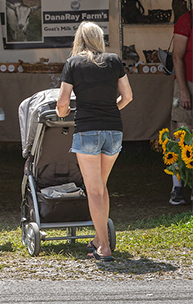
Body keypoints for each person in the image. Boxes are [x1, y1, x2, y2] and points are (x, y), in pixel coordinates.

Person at [57, 21, 133, 262]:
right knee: (101, 186)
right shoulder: (113, 61)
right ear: (100, 38)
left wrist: (63, 113)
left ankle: (105, 248)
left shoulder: (73, 64)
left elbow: (62, 103)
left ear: (79, 39)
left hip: (87, 130)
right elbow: (128, 96)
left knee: (94, 191)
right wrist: (112, 109)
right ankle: (100, 239)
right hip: (113, 130)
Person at [168, 9, 192, 205]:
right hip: (187, 83)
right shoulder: (186, 20)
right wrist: (184, 90)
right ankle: (177, 187)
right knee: (182, 135)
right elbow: (177, 57)